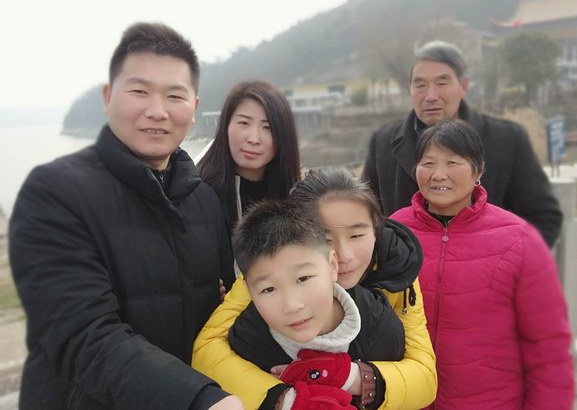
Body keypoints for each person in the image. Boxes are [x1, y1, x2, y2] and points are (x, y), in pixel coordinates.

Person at [9, 23, 242, 410]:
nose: (157, 111)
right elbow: (83, 334)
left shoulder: (203, 200)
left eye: (174, 96)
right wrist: (197, 397)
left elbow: (224, 312)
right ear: (108, 97)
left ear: (194, 108)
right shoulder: (54, 192)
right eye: (139, 91)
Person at [193, 167, 437, 410]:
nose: (344, 255)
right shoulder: (273, 275)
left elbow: (424, 378)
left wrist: (352, 377)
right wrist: (281, 398)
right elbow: (208, 349)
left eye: (356, 235)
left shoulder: (398, 269)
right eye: (326, 239)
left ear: (375, 230)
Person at [390, 119, 574, 409]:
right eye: (428, 163)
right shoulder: (392, 233)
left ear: (478, 171)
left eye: (452, 162)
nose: (438, 174)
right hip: (406, 400)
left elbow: (548, 346)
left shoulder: (519, 240)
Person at [362, 40, 563, 247]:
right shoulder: (383, 142)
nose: (430, 96)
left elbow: (543, 218)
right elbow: (365, 216)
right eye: (420, 85)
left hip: (486, 263)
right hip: (406, 266)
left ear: (463, 86)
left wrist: (504, 261)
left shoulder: (506, 140)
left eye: (442, 83)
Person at [226, 199, 407, 409]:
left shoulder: (381, 329)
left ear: (332, 266)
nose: (292, 305)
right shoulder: (246, 342)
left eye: (303, 278)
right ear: (249, 290)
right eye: (268, 289)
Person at [197, 80, 301, 236]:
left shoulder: (298, 198)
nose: (253, 139)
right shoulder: (197, 195)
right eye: (244, 123)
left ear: (283, 135)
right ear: (226, 125)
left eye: (267, 127)